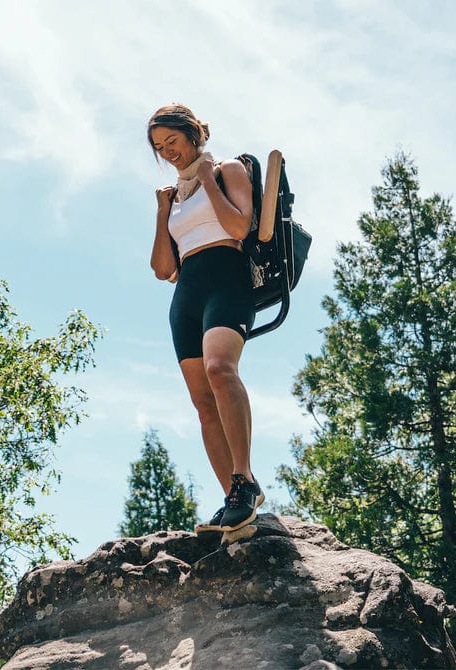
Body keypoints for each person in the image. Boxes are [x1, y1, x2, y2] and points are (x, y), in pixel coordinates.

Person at [147, 103, 264, 533]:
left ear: (192, 133)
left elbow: (237, 226)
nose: (168, 152)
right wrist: (163, 213)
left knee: (220, 369)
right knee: (202, 403)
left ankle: (244, 479)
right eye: (160, 148)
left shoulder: (229, 169)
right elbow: (164, 270)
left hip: (227, 278)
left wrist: (208, 178)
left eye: (172, 142)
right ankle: (234, 500)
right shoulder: (172, 196)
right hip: (187, 292)